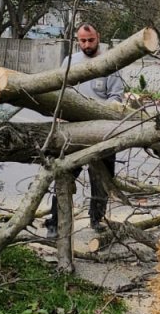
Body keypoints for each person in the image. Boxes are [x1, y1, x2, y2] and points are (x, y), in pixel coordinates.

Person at [46, 24, 125, 236]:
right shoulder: (69, 62)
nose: (86, 45)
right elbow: (62, 92)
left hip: (102, 132)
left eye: (90, 40)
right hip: (72, 131)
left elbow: (116, 99)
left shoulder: (110, 63)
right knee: (63, 175)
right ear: (77, 40)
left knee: (101, 179)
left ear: (98, 36)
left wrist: (101, 114)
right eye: (82, 41)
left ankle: (97, 219)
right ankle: (55, 223)